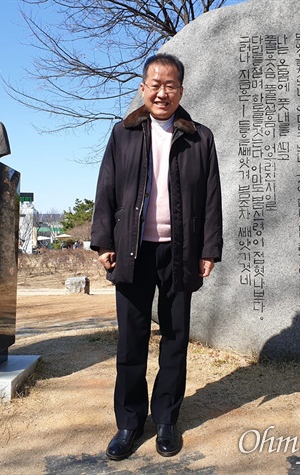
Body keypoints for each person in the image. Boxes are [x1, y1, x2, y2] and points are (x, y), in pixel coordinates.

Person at [91, 53, 223, 460]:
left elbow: (212, 198)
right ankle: (129, 423)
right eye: (155, 84)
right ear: (143, 88)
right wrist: (103, 241)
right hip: (132, 251)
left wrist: (209, 248)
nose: (162, 92)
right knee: (131, 340)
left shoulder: (200, 137)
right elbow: (106, 189)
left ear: (181, 90)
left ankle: (166, 419)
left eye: (170, 85)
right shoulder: (124, 133)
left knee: (175, 337)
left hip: (180, 252)